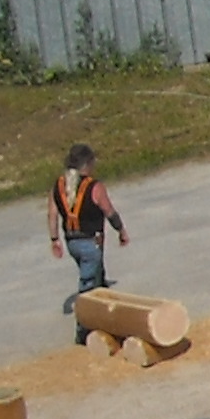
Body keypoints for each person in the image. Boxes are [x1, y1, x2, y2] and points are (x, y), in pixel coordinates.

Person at [48, 144, 130, 337]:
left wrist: (54, 240)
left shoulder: (58, 186)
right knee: (88, 285)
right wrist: (121, 230)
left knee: (98, 276)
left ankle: (106, 320)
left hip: (71, 242)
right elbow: (109, 211)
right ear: (88, 164)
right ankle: (83, 330)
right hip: (91, 243)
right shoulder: (95, 187)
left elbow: (52, 214)